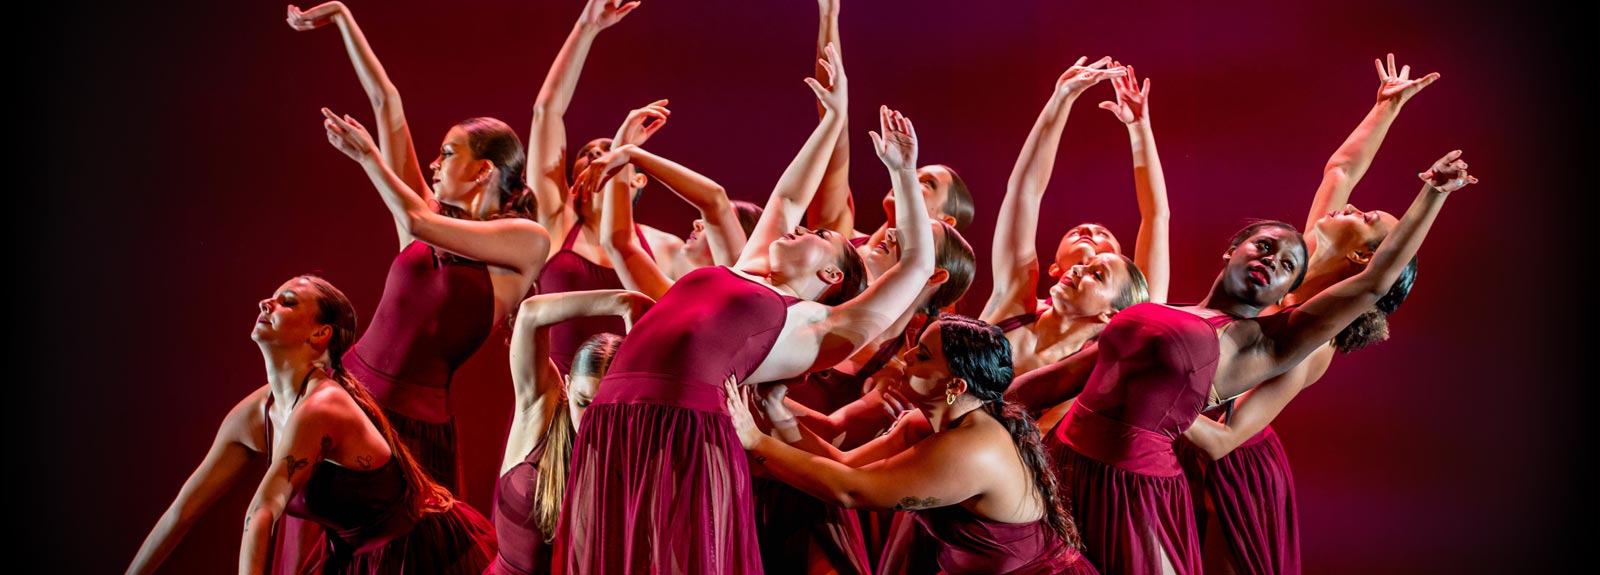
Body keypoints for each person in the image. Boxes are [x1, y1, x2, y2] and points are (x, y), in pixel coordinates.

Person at [554, 43, 939, 572]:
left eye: (819, 235)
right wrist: (832, 118)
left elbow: (917, 264)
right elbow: (785, 199)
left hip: (681, 433)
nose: (800, 226)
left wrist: (902, 172)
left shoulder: (818, 327)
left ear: (830, 276)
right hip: (615, 418)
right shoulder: (748, 271)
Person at [1007, 151, 1476, 574]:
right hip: (1065, 462)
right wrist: (980, 412)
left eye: (1289, 265)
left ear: (1288, 290)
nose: (1273, 261)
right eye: (1265, 247)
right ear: (1232, 250)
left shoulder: (1266, 343)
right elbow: (1062, 379)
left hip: (1132, 489)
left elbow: (1373, 282)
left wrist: (1432, 193)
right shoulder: (1165, 310)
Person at [1178, 53, 1439, 575]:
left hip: (1232, 474)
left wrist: (1153, 396)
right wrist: (1384, 108)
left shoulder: (1315, 342)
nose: (1349, 206)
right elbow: (1341, 168)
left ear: (1365, 258)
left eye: (1365, 218)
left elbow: (1228, 437)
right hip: (1183, 436)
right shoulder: (1295, 267)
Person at [288, 2, 552, 497]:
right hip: (345, 398)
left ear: (483, 171)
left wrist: (368, 159)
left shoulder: (526, 241)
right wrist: (344, 18)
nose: (433, 163)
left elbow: (412, 218)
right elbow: (387, 104)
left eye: (448, 153)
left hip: (415, 430)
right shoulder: (428, 220)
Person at [127, 276, 496, 574]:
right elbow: (182, 511)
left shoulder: (324, 404)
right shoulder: (256, 414)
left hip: (421, 554)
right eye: (272, 297)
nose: (266, 304)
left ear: (321, 335)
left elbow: (262, 510)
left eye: (287, 301)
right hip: (357, 562)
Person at [728, 315, 1098, 574]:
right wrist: (776, 410)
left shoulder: (974, 447)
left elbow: (851, 492)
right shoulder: (925, 423)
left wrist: (757, 441)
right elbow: (845, 464)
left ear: (955, 386)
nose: (904, 359)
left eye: (921, 356)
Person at [525, 0, 691, 373]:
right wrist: (587, 27)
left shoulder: (667, 247)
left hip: (630, 397)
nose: (599, 158)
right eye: (587, 155)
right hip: (558, 399)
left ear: (638, 177)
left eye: (611, 154)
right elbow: (546, 113)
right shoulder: (558, 223)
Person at [490, 289, 651, 575]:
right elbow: (529, 316)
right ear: (567, 384)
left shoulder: (636, 455)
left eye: (605, 408)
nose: (590, 418)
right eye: (583, 402)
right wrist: (622, 302)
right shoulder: (539, 413)